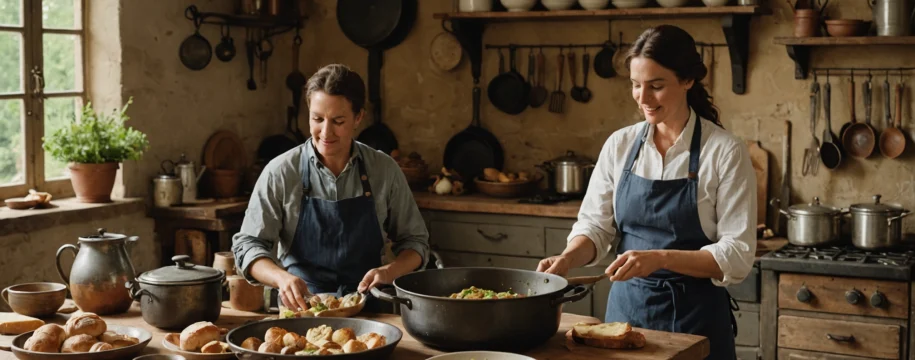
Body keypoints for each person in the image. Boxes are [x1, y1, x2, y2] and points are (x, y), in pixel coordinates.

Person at [536, 25, 756, 360]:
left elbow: (738, 254)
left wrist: (660, 258)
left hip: (696, 323)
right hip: (626, 317)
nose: (643, 98)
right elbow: (596, 227)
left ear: (687, 80)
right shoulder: (620, 145)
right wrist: (567, 259)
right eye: (636, 86)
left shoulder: (724, 152)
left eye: (656, 86)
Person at [231, 64, 430, 313]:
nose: (325, 132)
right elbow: (248, 245)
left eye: (338, 121)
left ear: (358, 117)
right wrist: (281, 278)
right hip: (301, 310)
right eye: (317, 119)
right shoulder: (281, 171)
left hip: (371, 309)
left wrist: (389, 271)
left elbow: (415, 242)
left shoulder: (384, 169)